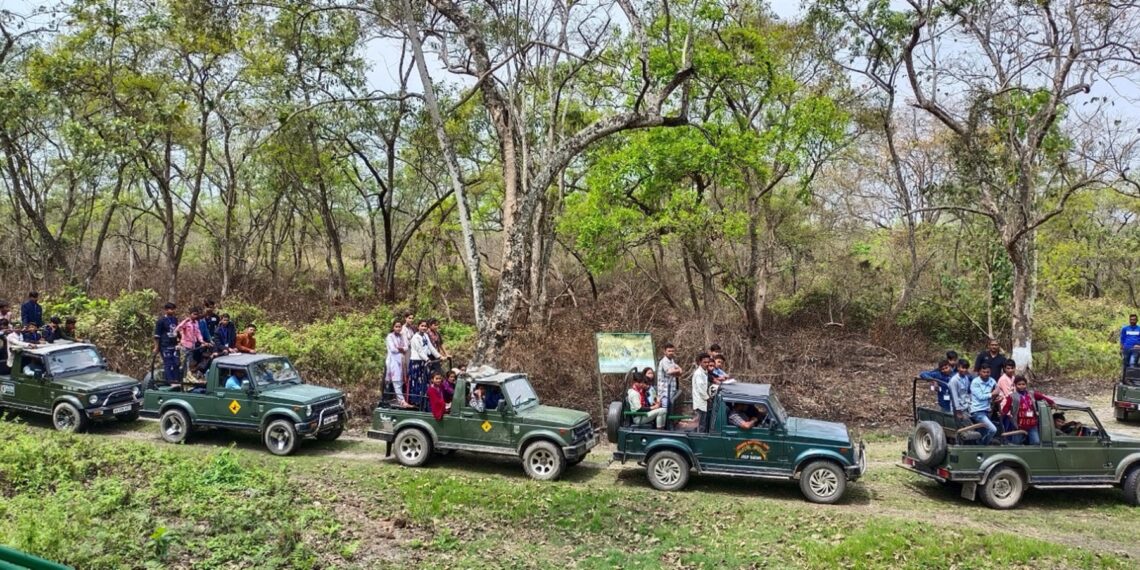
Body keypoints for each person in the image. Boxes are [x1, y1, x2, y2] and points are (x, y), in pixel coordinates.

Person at [1001, 376, 1054, 445]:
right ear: (1015, 385)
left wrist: (1052, 402)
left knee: (1036, 442)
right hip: (1019, 425)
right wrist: (1002, 414)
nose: (1021, 386)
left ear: (1026, 384)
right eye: (1019, 384)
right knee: (1016, 444)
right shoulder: (1012, 396)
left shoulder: (1031, 394)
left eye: (1023, 384)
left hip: (1032, 424)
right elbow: (1006, 408)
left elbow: (1042, 397)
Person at [408, 320, 442, 410]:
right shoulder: (415, 338)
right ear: (418, 327)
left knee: (425, 381)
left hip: (425, 361)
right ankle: (416, 401)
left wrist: (439, 356)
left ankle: (425, 401)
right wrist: (427, 359)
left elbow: (431, 347)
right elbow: (419, 351)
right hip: (417, 361)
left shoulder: (426, 335)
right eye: (422, 326)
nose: (424, 328)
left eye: (425, 326)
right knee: (417, 381)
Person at [385, 320, 413, 408]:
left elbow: (406, 347)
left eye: (399, 326)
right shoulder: (390, 336)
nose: (398, 328)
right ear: (393, 327)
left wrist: (400, 348)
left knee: (401, 381)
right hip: (393, 361)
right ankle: (402, 402)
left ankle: (400, 399)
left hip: (402, 361)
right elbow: (393, 349)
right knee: (396, 380)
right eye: (396, 327)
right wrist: (401, 349)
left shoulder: (402, 336)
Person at [968, 371, 998, 445]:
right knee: (993, 429)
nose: (986, 374)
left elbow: (997, 390)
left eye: (988, 372)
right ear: (980, 372)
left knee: (983, 432)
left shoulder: (992, 381)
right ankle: (983, 445)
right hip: (977, 411)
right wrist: (992, 394)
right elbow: (980, 397)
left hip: (988, 410)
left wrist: (997, 396)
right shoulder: (975, 382)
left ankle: (979, 445)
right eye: (984, 372)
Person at [154, 303, 181, 384]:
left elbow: (177, 332)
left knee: (176, 363)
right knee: (168, 364)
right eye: (171, 309)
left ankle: (176, 380)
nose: (172, 311)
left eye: (174, 309)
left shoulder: (175, 319)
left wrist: (179, 342)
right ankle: (170, 382)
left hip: (174, 345)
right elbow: (157, 335)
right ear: (166, 310)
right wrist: (156, 347)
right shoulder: (161, 321)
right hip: (165, 346)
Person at [176, 307, 207, 377]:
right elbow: (178, 328)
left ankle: (187, 377)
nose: (195, 316)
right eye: (194, 314)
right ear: (190, 314)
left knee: (190, 362)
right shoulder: (186, 322)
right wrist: (185, 321)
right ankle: (183, 377)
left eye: (196, 314)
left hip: (192, 346)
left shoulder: (196, 323)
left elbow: (198, 333)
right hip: (185, 345)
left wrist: (202, 341)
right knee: (184, 362)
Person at [656, 343, 682, 416]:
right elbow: (669, 371)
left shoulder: (672, 361)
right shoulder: (664, 361)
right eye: (669, 351)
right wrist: (676, 370)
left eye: (672, 351)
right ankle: (664, 426)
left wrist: (676, 370)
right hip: (664, 391)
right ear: (665, 352)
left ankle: (669, 424)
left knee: (671, 410)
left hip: (671, 390)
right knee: (665, 411)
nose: (671, 353)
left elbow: (680, 372)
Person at [691, 353, 712, 427]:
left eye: (708, 362)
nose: (707, 364)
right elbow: (701, 390)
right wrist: (709, 399)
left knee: (703, 423)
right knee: (701, 425)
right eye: (705, 362)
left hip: (703, 402)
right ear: (700, 362)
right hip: (700, 403)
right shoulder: (699, 373)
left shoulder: (704, 372)